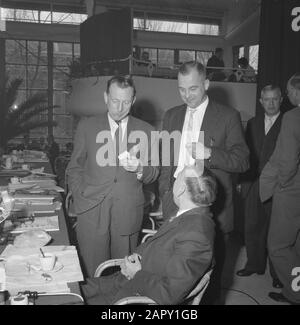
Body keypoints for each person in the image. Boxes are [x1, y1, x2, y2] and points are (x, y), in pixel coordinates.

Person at [159, 61, 249, 303]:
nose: (187, 95)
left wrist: (210, 153)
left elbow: (243, 161)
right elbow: (166, 162)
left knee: (209, 280)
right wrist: (165, 195)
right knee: (170, 274)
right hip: (174, 204)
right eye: (181, 89)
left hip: (213, 210)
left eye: (193, 89)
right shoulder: (171, 116)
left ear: (207, 84)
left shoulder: (229, 116)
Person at [81, 164, 216, 305]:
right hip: (122, 282)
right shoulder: (189, 215)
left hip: (131, 297)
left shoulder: (197, 235)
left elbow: (169, 293)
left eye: (176, 178)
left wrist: (137, 273)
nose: (174, 181)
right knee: (66, 288)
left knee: (68, 295)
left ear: (181, 189)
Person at [66, 75, 159, 277]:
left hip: (127, 213)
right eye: (115, 100)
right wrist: (80, 194)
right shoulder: (87, 126)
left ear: (133, 100)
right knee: (93, 274)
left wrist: (140, 168)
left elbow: (154, 173)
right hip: (91, 210)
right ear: (106, 97)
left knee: (123, 275)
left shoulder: (148, 131)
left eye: (126, 102)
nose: (119, 107)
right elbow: (74, 167)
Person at [237, 85, 283, 289]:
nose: (271, 103)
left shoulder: (289, 122)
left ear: (281, 99)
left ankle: (278, 273)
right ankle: (254, 264)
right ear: (261, 101)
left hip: (278, 185)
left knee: (276, 231)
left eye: (275, 99)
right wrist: (242, 182)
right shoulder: (253, 123)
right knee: (252, 226)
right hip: (254, 182)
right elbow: (245, 154)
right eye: (267, 99)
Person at [260, 73, 300, 305]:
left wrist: (282, 186)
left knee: (277, 246)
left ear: (294, 92)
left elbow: (286, 160)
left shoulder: (293, 117)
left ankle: (295, 293)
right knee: (296, 244)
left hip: (292, 190)